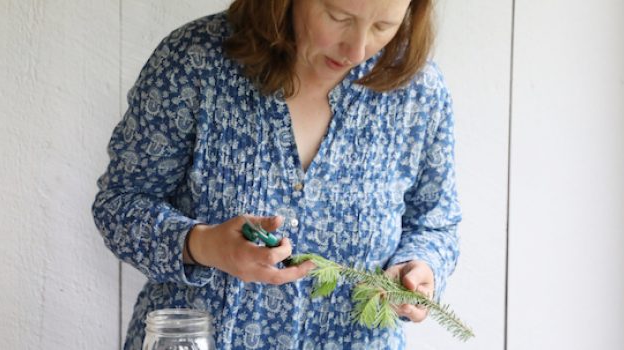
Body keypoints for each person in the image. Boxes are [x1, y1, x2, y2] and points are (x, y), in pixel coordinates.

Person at [92, 0, 460, 348]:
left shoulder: (418, 92)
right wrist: (204, 244)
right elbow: (119, 205)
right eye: (338, 17)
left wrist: (419, 267)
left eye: (383, 25)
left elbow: (435, 223)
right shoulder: (195, 61)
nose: (357, 49)